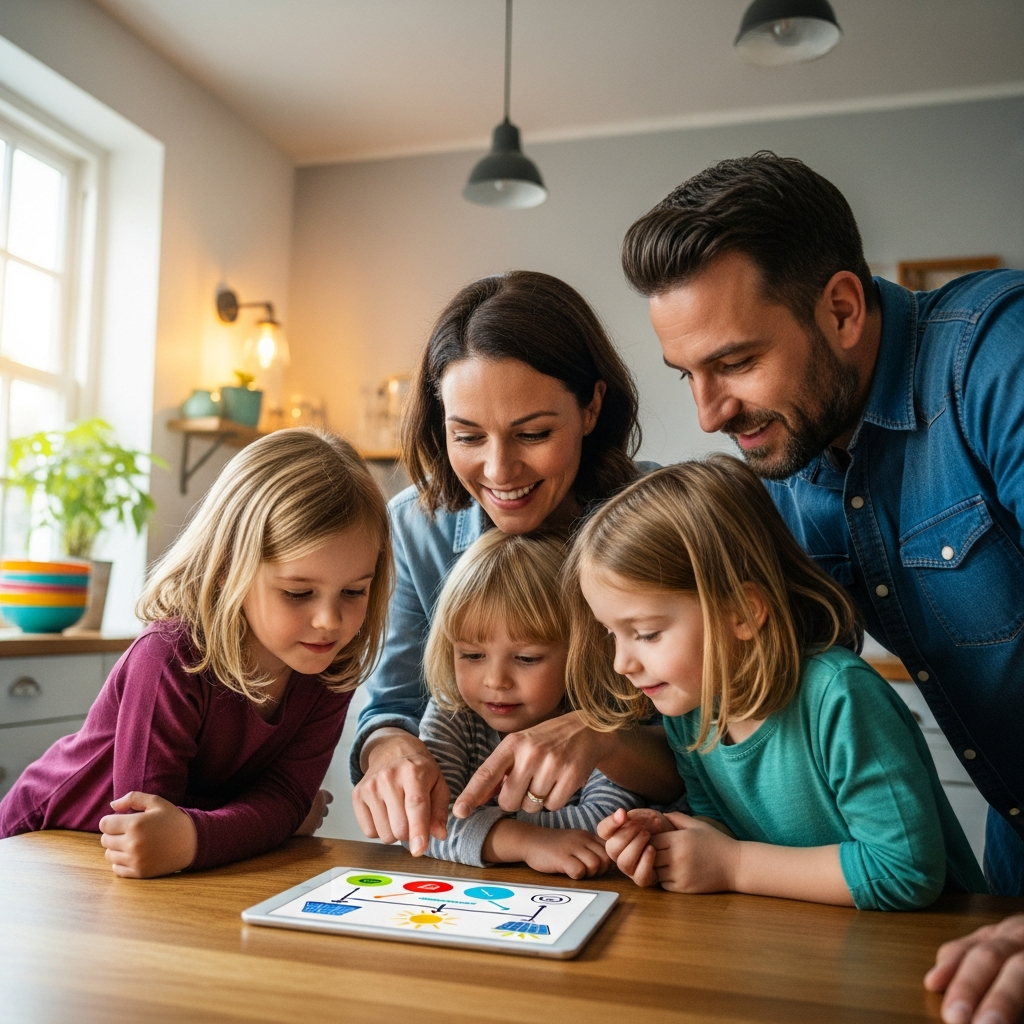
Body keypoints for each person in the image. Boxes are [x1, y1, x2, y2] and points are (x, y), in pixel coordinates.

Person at [620, 152, 1024, 1016]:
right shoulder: (792, 460)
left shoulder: (998, 361)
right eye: (685, 374)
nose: (708, 413)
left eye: (734, 361)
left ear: (841, 308)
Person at [350, 270, 682, 858]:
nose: (499, 472)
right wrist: (390, 750)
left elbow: (716, 745)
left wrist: (600, 737)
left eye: (532, 433)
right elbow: (391, 709)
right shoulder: (412, 527)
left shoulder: (665, 517)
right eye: (468, 436)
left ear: (591, 407)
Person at [565, 456, 986, 909]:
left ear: (742, 613)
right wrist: (678, 839)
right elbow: (726, 833)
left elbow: (905, 872)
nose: (621, 662)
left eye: (645, 633)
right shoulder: (692, 712)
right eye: (612, 633)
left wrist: (733, 864)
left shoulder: (840, 697)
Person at [0, 429, 393, 878]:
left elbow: (284, 799)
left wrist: (263, 819)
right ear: (227, 570)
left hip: (130, 867)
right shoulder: (169, 656)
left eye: (353, 591)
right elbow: (148, 824)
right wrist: (267, 821)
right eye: (298, 592)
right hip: (41, 845)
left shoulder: (329, 666)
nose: (330, 620)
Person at [420, 529, 641, 876]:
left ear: (577, 652)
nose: (495, 680)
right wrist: (527, 842)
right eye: (472, 654)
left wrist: (477, 829)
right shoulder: (452, 714)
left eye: (526, 658)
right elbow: (425, 824)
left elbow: (606, 825)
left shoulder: (599, 722)